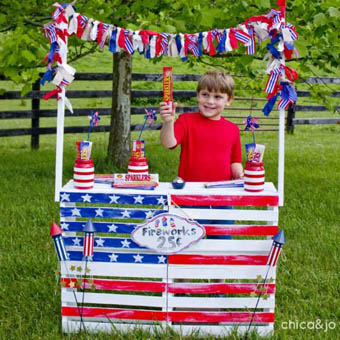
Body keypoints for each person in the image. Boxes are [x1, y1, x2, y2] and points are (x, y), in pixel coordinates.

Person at [160, 69, 244, 182]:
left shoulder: (233, 129)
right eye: (205, 95)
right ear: (198, 96)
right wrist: (168, 122)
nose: (210, 101)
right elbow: (168, 143)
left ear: (228, 100)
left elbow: (235, 162)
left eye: (217, 97)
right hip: (190, 189)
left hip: (221, 189)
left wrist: (240, 174)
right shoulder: (186, 120)